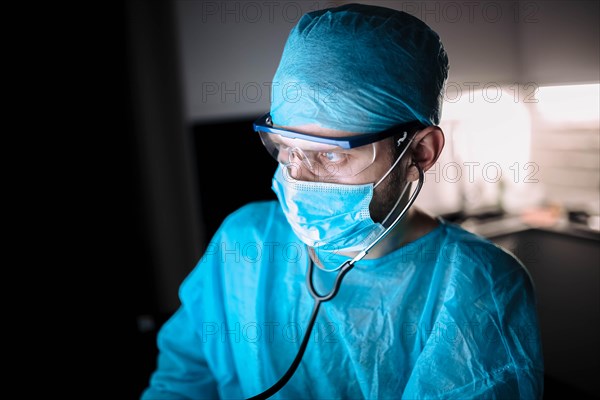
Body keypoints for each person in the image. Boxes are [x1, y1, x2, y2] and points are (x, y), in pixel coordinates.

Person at [142, 3, 544, 399]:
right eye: (285, 147)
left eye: (330, 154)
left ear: (420, 152)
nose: (296, 177)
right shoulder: (244, 242)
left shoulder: (477, 285)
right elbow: (181, 382)